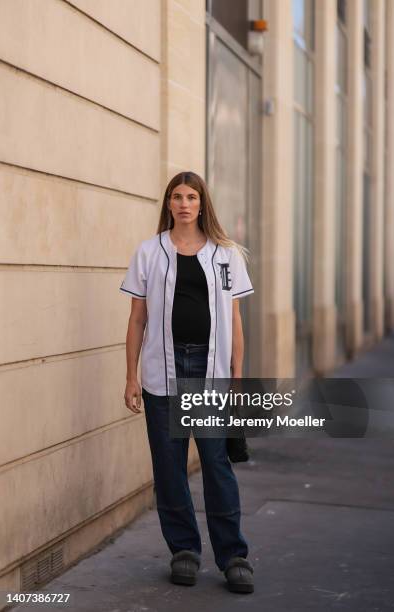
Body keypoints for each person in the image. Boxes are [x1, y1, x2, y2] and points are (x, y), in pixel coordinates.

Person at [119, 171, 255, 593]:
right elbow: (137, 319)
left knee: (216, 464)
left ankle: (233, 556)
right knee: (169, 466)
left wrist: (237, 377)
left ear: (201, 204)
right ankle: (184, 551)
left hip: (209, 372)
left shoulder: (226, 254)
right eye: (176, 196)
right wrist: (131, 376)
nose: (183, 203)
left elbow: (234, 320)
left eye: (191, 196)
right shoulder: (149, 252)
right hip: (163, 372)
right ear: (168, 203)